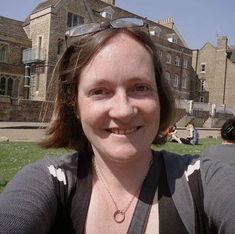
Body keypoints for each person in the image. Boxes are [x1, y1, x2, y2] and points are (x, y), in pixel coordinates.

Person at [0, 17, 235, 233]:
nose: (123, 110)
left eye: (140, 87)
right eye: (100, 91)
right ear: (75, 105)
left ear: (160, 97)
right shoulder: (47, 182)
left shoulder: (203, 180)